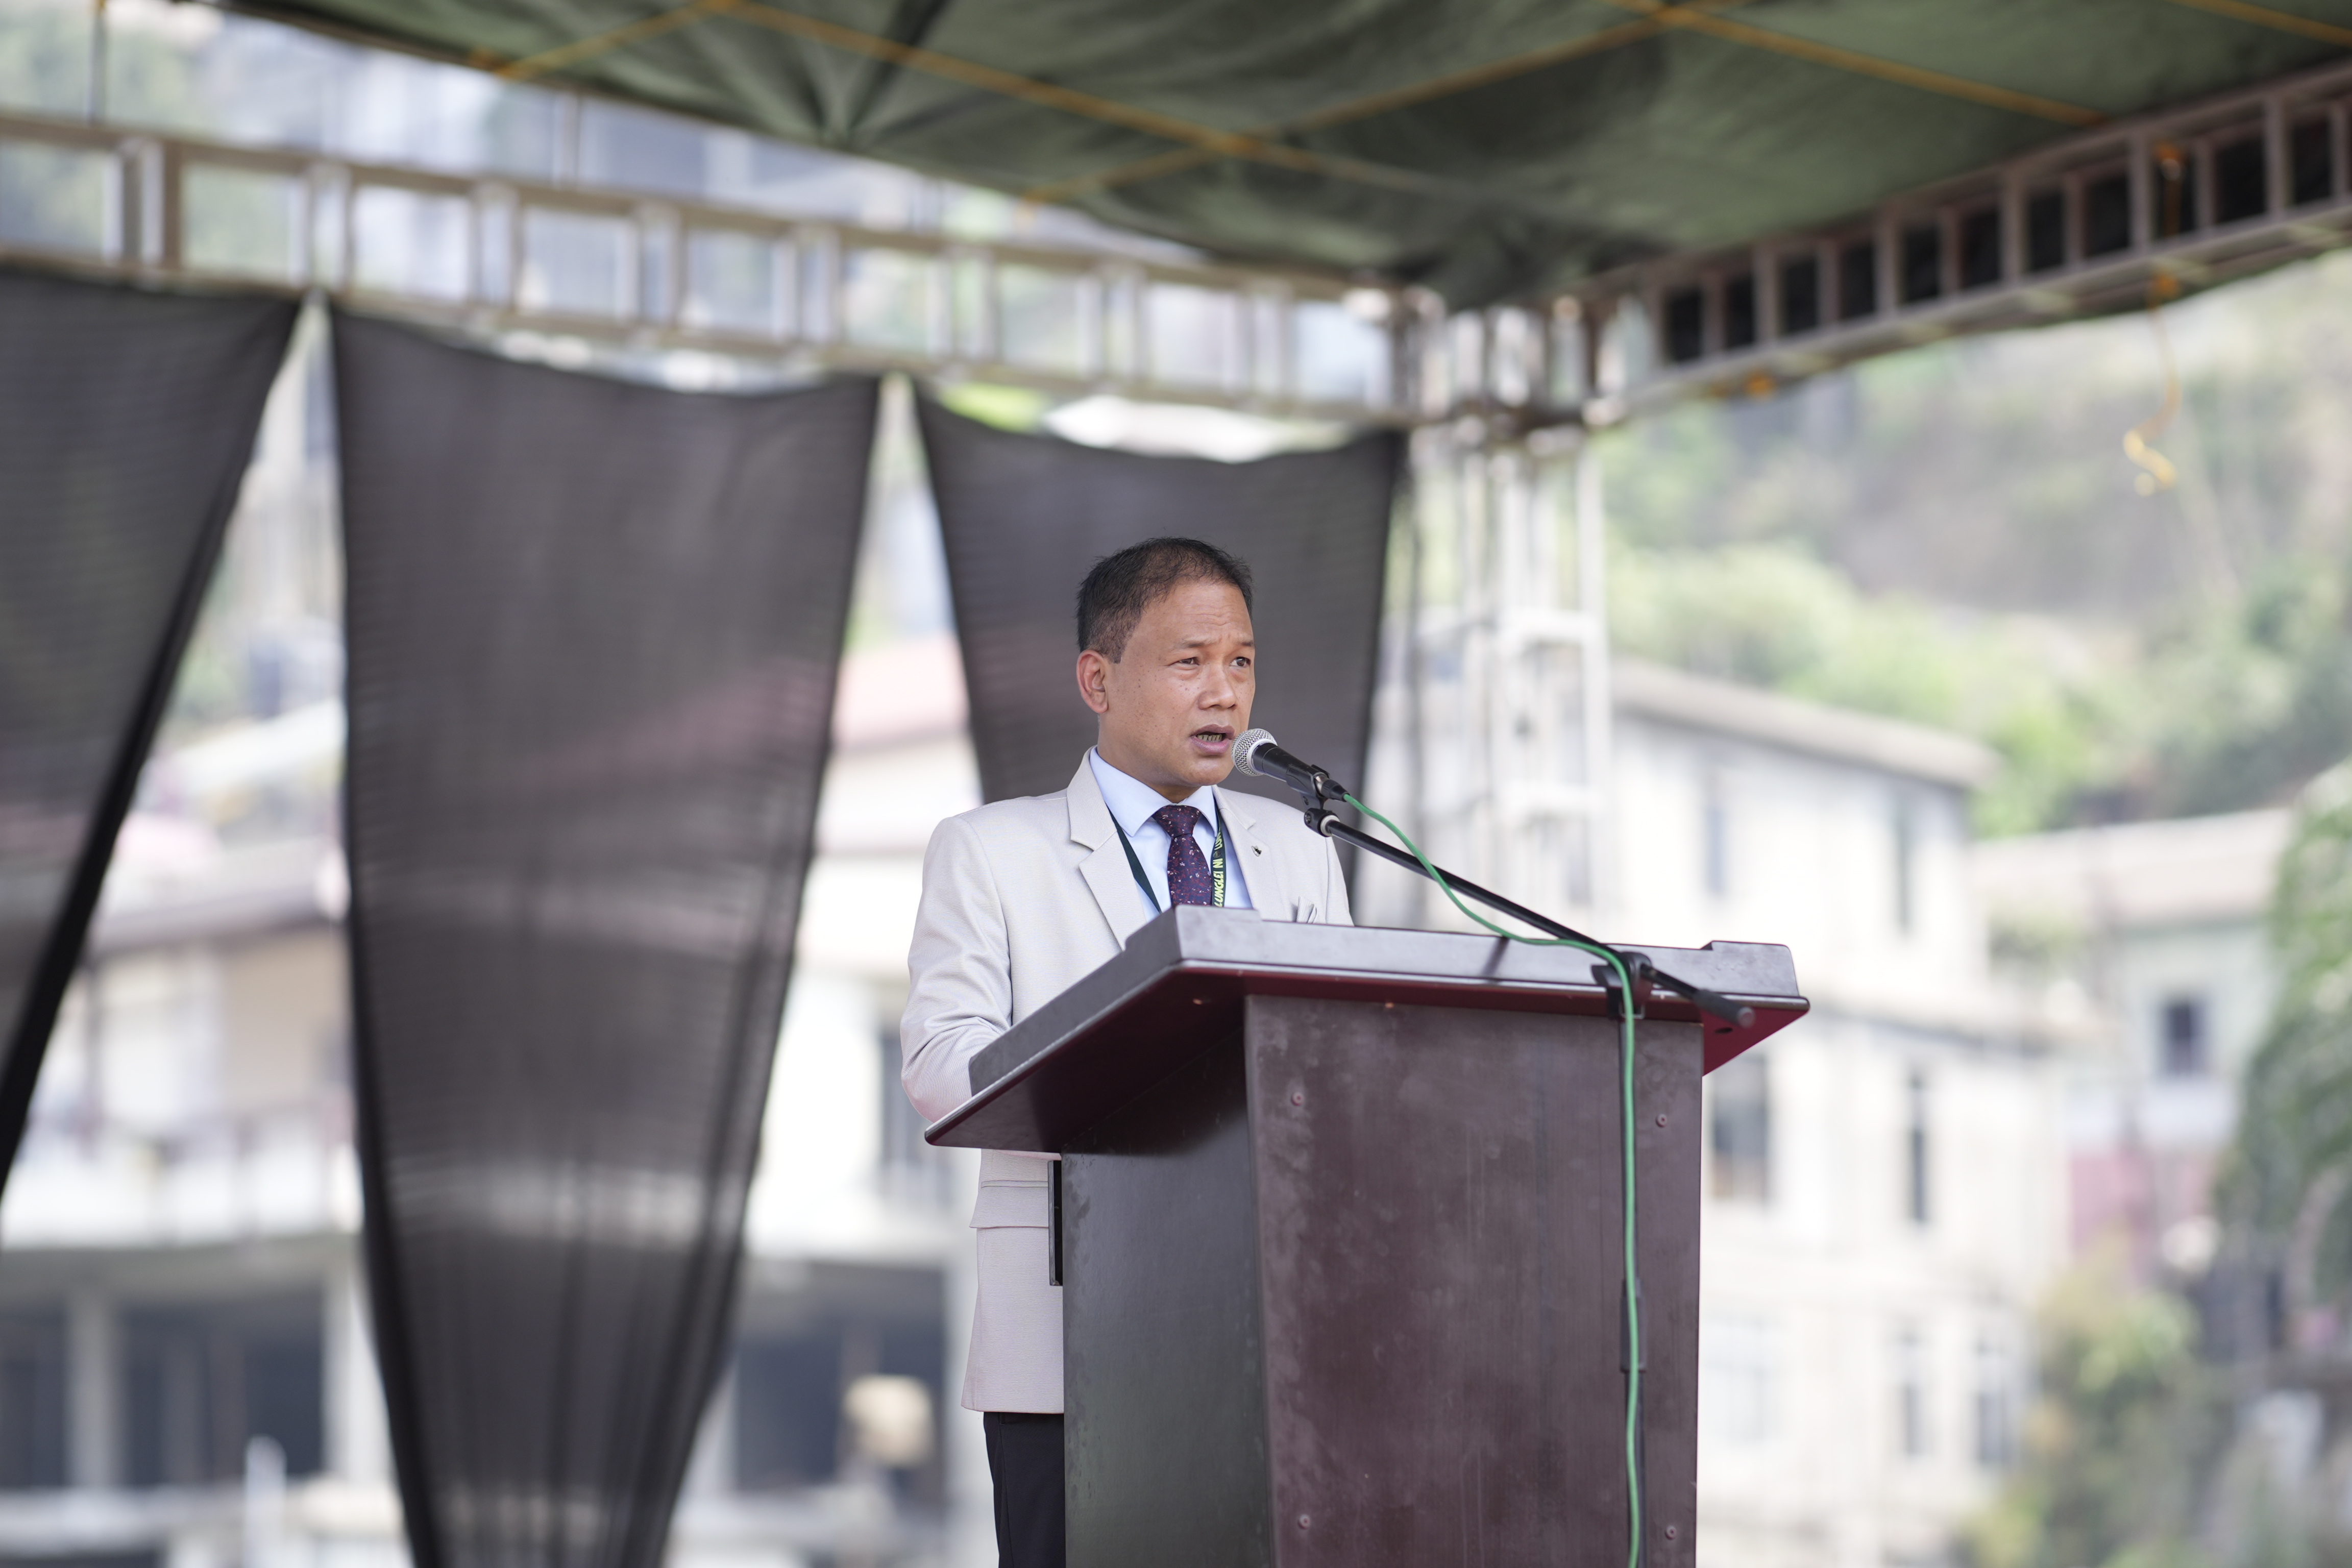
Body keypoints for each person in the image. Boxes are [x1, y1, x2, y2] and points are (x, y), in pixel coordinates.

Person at [899, 537, 1353, 1567]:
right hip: (1070, 1333)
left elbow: (1333, 1067)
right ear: (1098, 681)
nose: (1224, 692)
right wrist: (1131, 1066)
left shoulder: (1299, 850)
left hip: (1265, 1329)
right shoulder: (991, 850)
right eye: (1190, 662)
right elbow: (940, 1063)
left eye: (1241, 662)